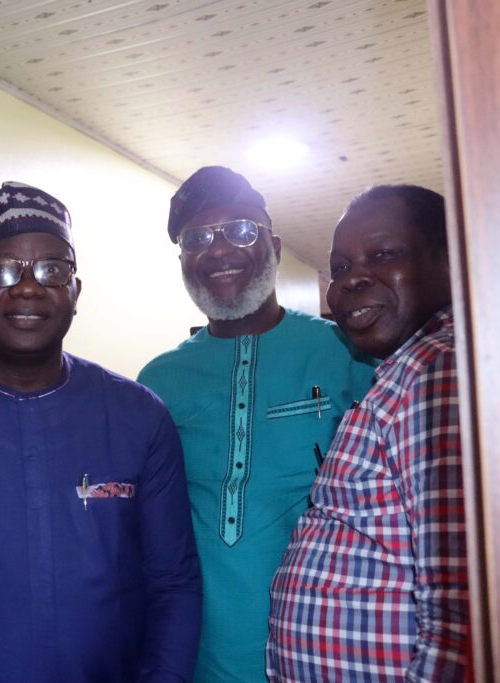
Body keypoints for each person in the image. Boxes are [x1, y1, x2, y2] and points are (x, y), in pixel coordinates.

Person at [0, 181, 202, 683]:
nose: (27, 287)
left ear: (75, 292)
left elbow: (173, 582)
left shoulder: (139, 416)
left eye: (51, 270)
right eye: (2, 270)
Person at [137, 166, 377, 682]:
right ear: (183, 261)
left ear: (275, 246)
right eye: (197, 238)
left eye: (242, 230)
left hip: (330, 650)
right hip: (200, 657)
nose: (220, 250)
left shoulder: (346, 353)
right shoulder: (157, 381)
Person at [267, 184, 468, 680]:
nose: (352, 279)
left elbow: (461, 610)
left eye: (383, 255)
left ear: (451, 262)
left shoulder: (437, 373)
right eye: (339, 267)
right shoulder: (405, 373)